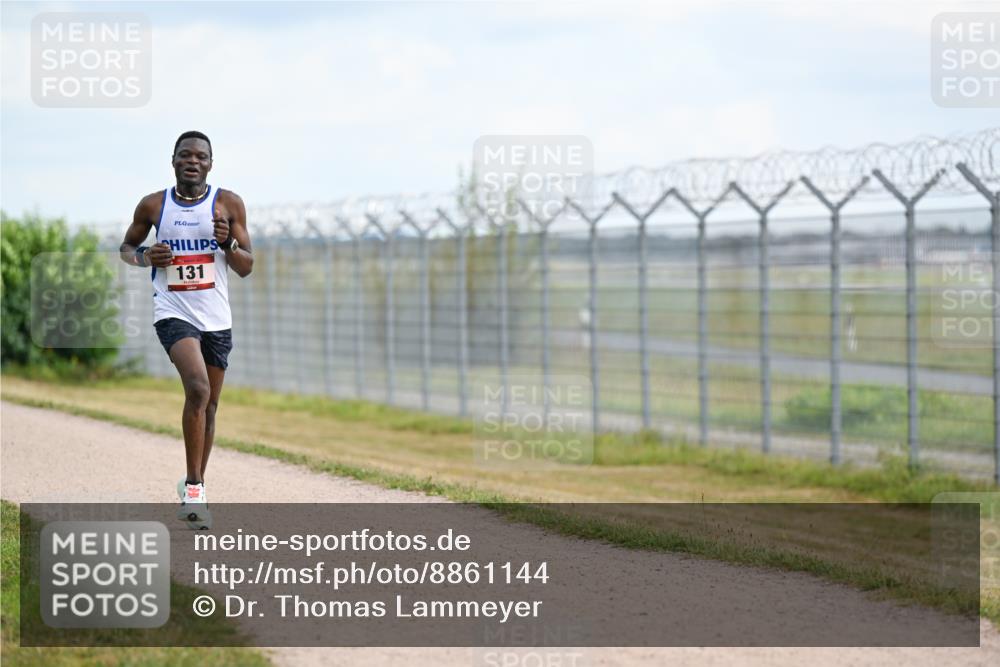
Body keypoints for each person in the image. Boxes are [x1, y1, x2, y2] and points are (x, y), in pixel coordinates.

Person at [120, 130, 253, 527]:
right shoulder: (153, 205)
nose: (192, 160)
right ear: (173, 160)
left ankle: (195, 483)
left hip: (216, 316)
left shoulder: (227, 204)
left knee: (209, 405)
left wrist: (227, 244)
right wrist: (147, 257)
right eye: (185, 155)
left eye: (200, 156)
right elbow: (126, 249)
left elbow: (246, 266)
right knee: (198, 388)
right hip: (173, 310)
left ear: (210, 164)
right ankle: (194, 491)